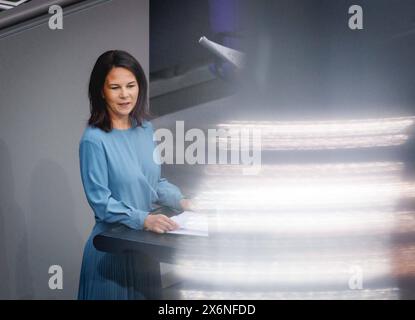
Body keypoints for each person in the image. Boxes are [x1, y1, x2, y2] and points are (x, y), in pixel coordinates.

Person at [78, 50, 192, 299]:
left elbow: (154, 183)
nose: (125, 94)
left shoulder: (145, 129)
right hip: (111, 254)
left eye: (131, 85)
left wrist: (182, 200)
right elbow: (101, 203)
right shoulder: (93, 140)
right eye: (115, 87)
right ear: (101, 91)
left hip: (145, 249)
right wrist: (143, 219)